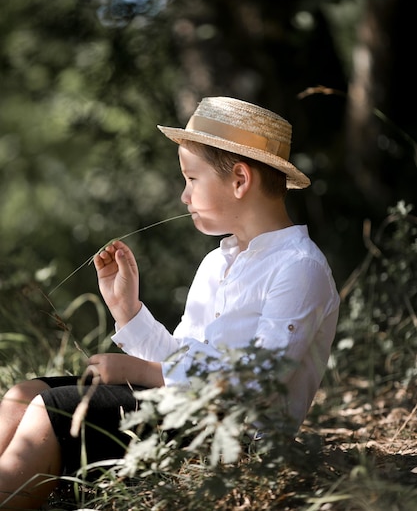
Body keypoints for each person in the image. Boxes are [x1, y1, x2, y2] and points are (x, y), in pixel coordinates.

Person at [0, 96, 340, 509]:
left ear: (239, 180)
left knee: (49, 410)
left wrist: (148, 373)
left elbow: (258, 382)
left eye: (192, 179)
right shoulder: (218, 262)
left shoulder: (298, 267)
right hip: (181, 410)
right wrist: (126, 308)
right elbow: (182, 357)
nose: (184, 196)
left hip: (230, 439)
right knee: (23, 394)